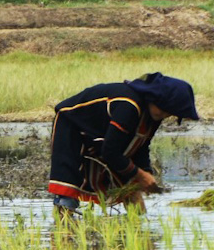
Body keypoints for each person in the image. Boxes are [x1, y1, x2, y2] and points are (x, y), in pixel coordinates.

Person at [48, 72, 199, 214]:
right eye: (164, 110)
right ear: (154, 99)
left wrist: (145, 172)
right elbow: (110, 152)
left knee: (132, 190)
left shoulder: (153, 116)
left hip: (102, 138)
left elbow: (141, 147)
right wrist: (140, 175)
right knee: (68, 187)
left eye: (169, 113)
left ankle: (138, 224)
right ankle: (63, 224)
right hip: (71, 126)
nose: (164, 115)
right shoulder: (129, 106)